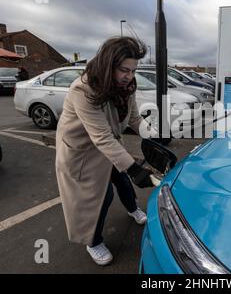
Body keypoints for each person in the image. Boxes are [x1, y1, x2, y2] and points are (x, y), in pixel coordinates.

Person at [55, 37, 157, 266]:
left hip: (108, 145)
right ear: (108, 64)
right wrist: (133, 166)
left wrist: (154, 135)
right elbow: (100, 136)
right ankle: (93, 241)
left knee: (122, 180)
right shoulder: (83, 88)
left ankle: (132, 209)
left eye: (133, 71)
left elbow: (133, 117)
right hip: (83, 152)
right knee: (101, 197)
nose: (129, 76)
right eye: (124, 70)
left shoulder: (127, 87)